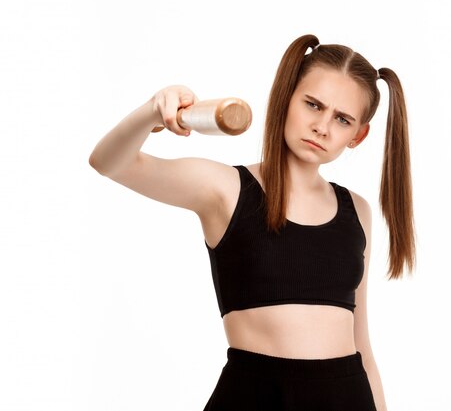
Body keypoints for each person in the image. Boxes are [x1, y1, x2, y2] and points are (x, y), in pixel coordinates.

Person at [88, 33, 415, 411]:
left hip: (347, 398)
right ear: (286, 97)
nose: (322, 127)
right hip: (255, 397)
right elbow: (109, 162)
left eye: (342, 119)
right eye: (313, 104)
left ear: (357, 136)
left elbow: (362, 346)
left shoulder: (356, 211)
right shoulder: (225, 189)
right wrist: (150, 112)